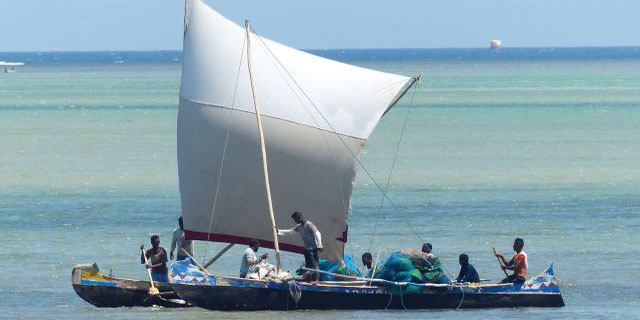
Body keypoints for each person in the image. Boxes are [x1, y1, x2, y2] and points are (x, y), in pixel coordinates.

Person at [278, 211, 323, 283]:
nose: (295, 221)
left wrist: (319, 245)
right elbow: (290, 232)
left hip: (313, 248)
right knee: (308, 265)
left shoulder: (309, 224)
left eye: (295, 219)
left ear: (300, 217)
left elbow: (317, 233)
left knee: (315, 264)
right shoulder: (299, 227)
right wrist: (278, 231)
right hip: (307, 249)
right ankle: (308, 279)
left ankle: (316, 280)